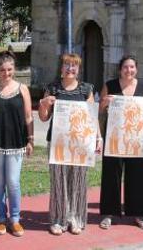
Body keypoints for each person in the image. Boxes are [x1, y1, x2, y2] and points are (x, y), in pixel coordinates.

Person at [38, 53, 102, 236]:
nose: (70, 68)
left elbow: (91, 116)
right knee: (58, 181)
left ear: (78, 69)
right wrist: (43, 103)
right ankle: (58, 219)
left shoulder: (86, 89)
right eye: (67, 64)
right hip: (58, 143)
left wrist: (98, 138)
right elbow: (43, 118)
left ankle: (76, 218)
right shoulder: (52, 88)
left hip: (81, 142)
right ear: (61, 68)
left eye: (74, 65)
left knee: (79, 181)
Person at [0, 51, 34, 237]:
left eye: (9, 69)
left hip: (16, 142)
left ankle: (15, 219)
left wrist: (30, 140)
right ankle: (1, 219)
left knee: (13, 182)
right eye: (2, 70)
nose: (6, 73)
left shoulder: (22, 89)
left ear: (14, 69)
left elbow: (28, 117)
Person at [99, 55, 143, 230]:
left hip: (137, 140)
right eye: (125, 67)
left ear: (136, 69)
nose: (128, 70)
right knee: (111, 175)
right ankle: (109, 214)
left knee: (137, 176)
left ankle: (138, 214)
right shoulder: (110, 85)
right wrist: (104, 103)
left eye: (132, 67)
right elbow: (100, 111)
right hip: (114, 139)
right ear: (120, 69)